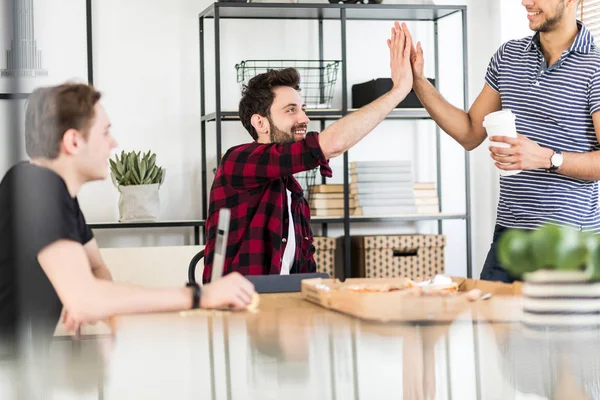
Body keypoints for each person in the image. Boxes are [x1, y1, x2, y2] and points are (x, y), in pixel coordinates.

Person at [0, 83, 256, 343]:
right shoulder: (36, 187)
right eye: (105, 132)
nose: (114, 143)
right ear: (74, 141)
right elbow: (85, 299)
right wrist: (201, 296)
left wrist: (101, 308)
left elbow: (97, 268)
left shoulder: (56, 192)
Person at [404, 0, 600, 282]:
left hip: (569, 243)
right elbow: (470, 132)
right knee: (486, 323)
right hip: (509, 239)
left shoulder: (595, 67)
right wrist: (419, 81)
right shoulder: (509, 56)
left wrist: (547, 158)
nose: (526, 2)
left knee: (555, 328)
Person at [202, 21, 414, 282]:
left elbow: (304, 265)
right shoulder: (237, 160)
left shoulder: (291, 189)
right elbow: (332, 144)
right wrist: (399, 90)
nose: (304, 118)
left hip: (282, 305)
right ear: (260, 123)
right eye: (291, 110)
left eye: (303, 108)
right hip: (239, 311)